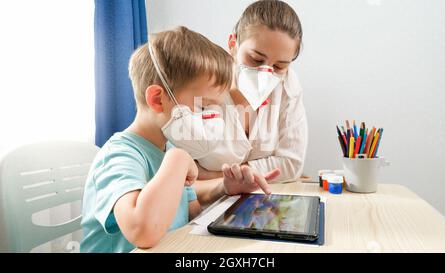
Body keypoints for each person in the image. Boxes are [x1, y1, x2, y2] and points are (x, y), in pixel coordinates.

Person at [80, 26, 278, 253]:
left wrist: (225, 187)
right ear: (157, 99)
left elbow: (190, 210)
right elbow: (142, 231)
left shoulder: (170, 145)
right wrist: (177, 160)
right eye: (203, 106)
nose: (213, 119)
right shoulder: (118, 156)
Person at [194, 0, 308, 196]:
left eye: (279, 66)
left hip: (261, 203)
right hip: (205, 207)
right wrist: (225, 182)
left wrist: (215, 175)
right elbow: (183, 174)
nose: (266, 72)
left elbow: (292, 164)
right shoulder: (199, 83)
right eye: (256, 59)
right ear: (233, 44)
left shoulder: (288, 85)